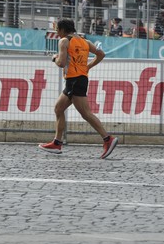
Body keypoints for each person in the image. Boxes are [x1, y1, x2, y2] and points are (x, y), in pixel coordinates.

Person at [39, 19, 119, 159]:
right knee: (58, 108)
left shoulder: (64, 41)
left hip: (74, 80)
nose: (57, 32)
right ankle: (57, 143)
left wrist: (54, 58)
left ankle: (108, 139)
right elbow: (101, 54)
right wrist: (88, 66)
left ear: (63, 29)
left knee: (86, 113)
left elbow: (61, 62)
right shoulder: (84, 41)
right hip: (79, 79)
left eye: (57, 29)